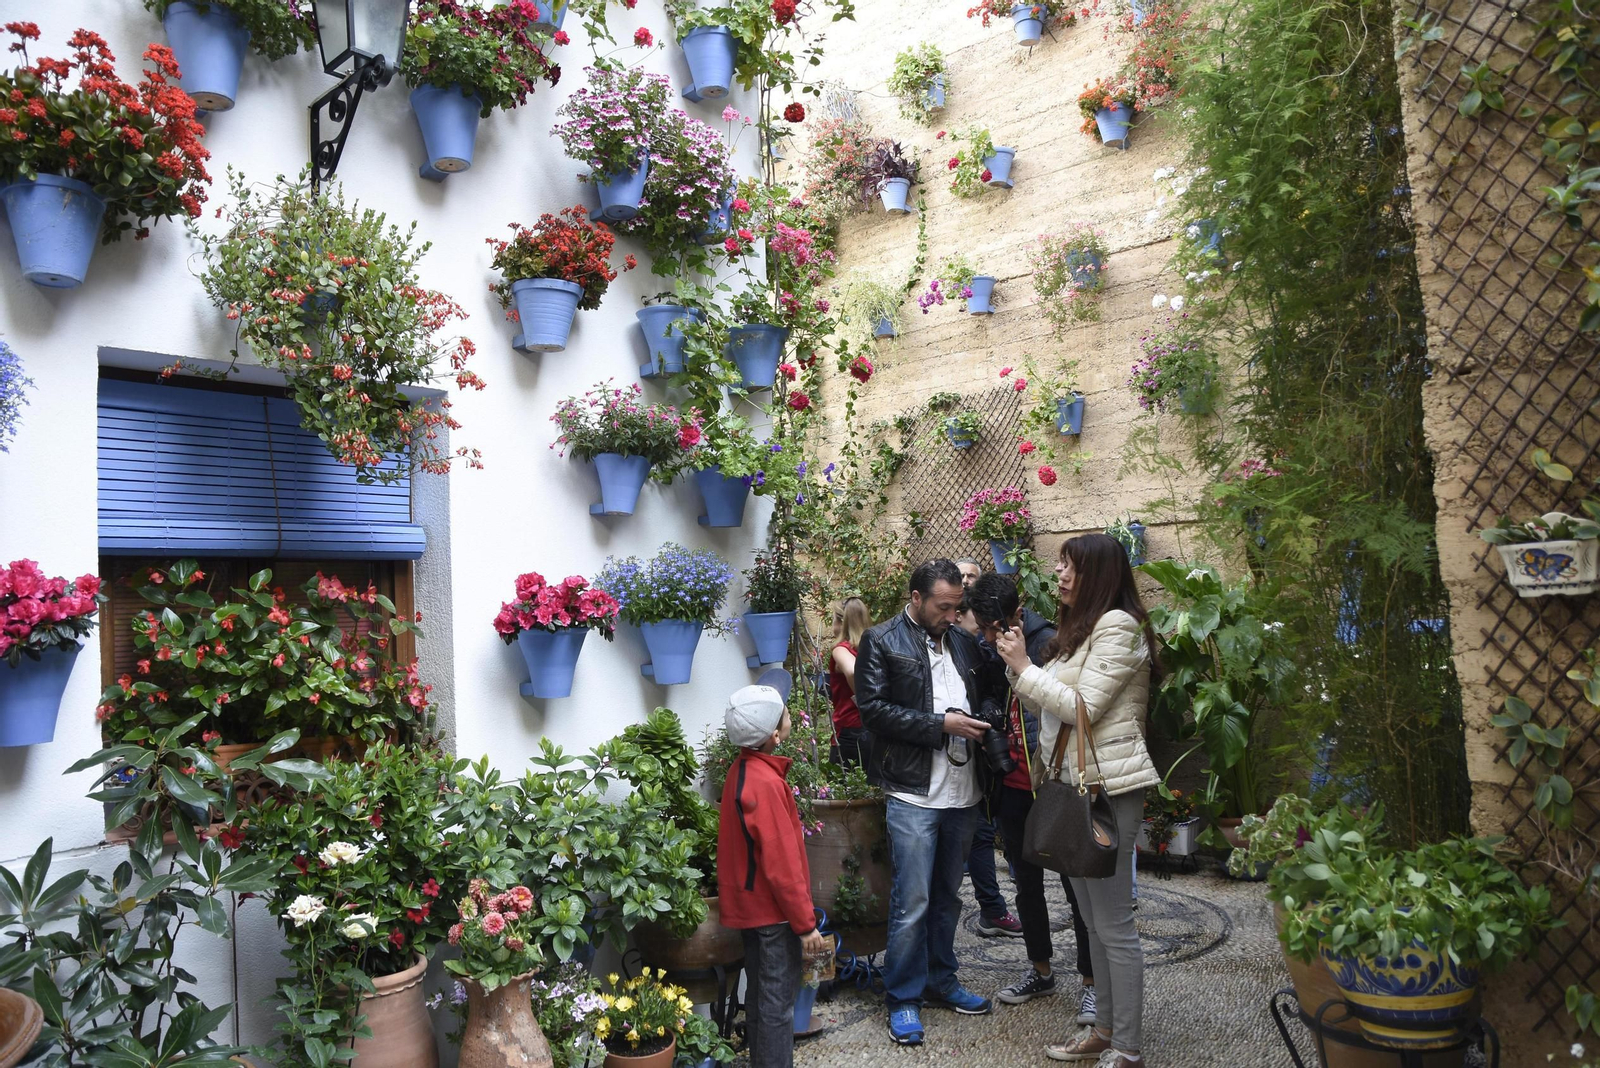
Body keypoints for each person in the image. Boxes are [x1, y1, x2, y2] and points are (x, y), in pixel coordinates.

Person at [994, 535, 1160, 1066]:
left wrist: (1025, 668)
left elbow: (1081, 707)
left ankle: (1127, 1048)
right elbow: (1046, 702)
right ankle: (1104, 1031)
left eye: (1071, 567)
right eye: (1061, 564)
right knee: (1093, 924)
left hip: (1109, 790)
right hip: (1077, 788)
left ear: (1100, 575)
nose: (1060, 574)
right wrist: (1016, 666)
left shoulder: (1118, 626)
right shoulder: (1081, 632)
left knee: (1114, 927)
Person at [855, 559, 1000, 1046]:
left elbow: (989, 690)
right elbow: (873, 712)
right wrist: (941, 725)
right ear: (916, 598)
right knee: (912, 901)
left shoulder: (961, 638)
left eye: (957, 606)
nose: (952, 615)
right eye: (943, 607)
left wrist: (984, 717)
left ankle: (941, 980)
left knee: (947, 897)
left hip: (964, 791)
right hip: (912, 791)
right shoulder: (881, 639)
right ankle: (902, 997)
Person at [966, 573, 1098, 1023]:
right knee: (1026, 885)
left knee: (1075, 888)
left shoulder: (1051, 642)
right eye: (982, 629)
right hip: (1013, 785)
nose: (987, 637)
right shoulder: (990, 644)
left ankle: (1091, 983)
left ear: (1016, 614)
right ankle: (1040, 970)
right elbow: (989, 690)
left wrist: (1023, 665)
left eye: (993, 627)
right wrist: (989, 706)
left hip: (1053, 786)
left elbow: (1069, 709)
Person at [718, 670, 829, 1068]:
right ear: (775, 736)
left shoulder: (743, 769)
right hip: (773, 914)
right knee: (776, 1006)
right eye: (784, 712)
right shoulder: (765, 783)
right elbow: (782, 864)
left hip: (754, 909)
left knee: (762, 998)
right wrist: (805, 924)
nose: (789, 714)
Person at [828, 597, 873, 770]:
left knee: (843, 784)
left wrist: (864, 701)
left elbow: (853, 671)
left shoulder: (841, 649)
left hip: (850, 730)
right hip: (873, 729)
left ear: (842, 622)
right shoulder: (873, 649)